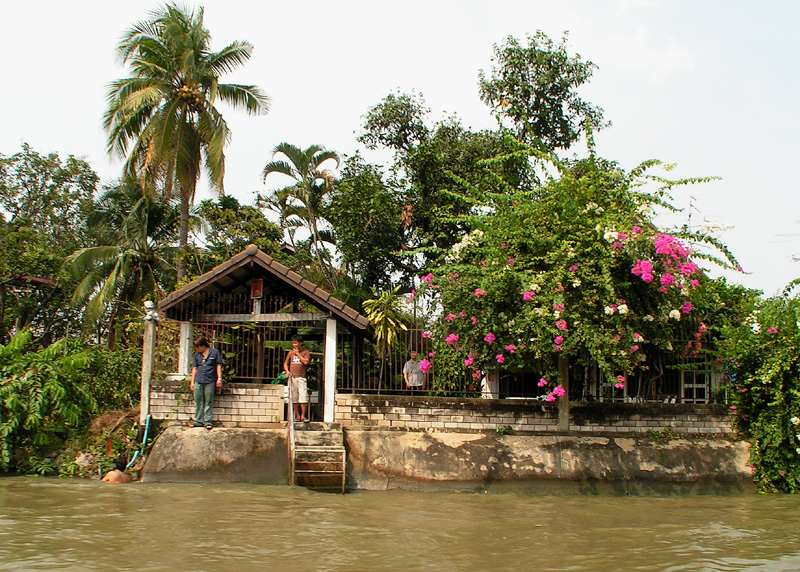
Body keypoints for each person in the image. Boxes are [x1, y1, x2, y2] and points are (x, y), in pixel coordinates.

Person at [189, 336, 223, 430]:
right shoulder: (197, 355)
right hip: (199, 380)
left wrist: (219, 379)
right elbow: (195, 368)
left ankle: (207, 421)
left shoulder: (214, 353)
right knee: (198, 401)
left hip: (210, 380)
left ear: (203, 345)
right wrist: (192, 382)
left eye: (198, 347)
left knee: (208, 401)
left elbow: (218, 366)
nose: (197, 349)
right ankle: (198, 421)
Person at [284, 334, 311, 422]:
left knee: (303, 397)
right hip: (293, 377)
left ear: (300, 343)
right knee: (294, 397)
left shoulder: (305, 352)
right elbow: (285, 364)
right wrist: (287, 372)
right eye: (293, 343)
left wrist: (298, 354)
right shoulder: (290, 353)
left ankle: (303, 416)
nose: (294, 345)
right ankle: (297, 415)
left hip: (301, 378)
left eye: (295, 343)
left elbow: (305, 362)